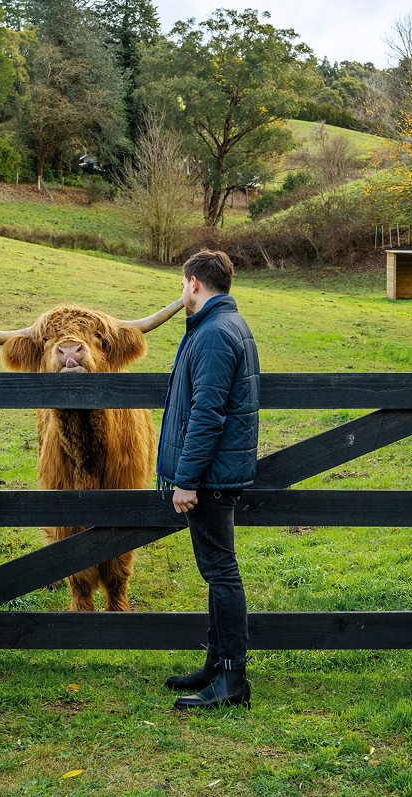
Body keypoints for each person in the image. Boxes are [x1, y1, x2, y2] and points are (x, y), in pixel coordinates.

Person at [156, 249, 259, 711]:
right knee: (216, 571)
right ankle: (216, 664)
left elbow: (207, 416)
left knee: (221, 572)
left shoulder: (216, 333)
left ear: (194, 283)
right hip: (215, 473)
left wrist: (186, 479)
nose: (182, 292)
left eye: (183, 284)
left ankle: (233, 678)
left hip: (211, 477)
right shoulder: (220, 326)